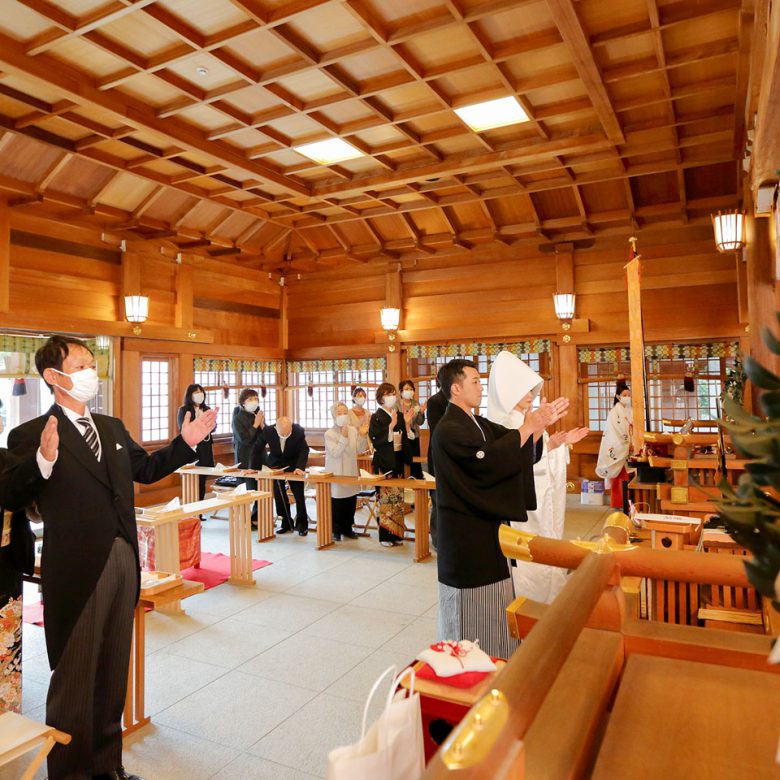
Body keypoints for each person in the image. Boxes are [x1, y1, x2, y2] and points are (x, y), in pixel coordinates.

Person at [6, 335, 216, 780]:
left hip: (124, 559)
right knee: (75, 681)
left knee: (110, 672)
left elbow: (146, 471)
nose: (90, 372)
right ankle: (69, 774)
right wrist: (43, 461)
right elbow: (11, 493)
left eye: (91, 363)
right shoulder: (29, 434)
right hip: (78, 571)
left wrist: (186, 442)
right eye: (81, 364)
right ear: (54, 376)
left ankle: (107, 769)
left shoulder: (112, 426)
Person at [431, 358, 568, 658]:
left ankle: (495, 658)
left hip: (487, 528)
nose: (482, 387)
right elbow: (489, 461)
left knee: (496, 598)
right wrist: (531, 425)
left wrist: (538, 427)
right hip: (464, 535)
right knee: (469, 610)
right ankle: (465, 664)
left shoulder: (478, 423)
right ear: (455, 388)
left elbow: (510, 445)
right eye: (475, 382)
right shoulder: (448, 429)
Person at [487, 351, 589, 604]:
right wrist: (541, 432)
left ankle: (547, 589)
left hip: (538, 492)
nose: (531, 396)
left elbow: (535, 452)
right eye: (525, 391)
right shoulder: (503, 422)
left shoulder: (525, 418)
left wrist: (555, 444)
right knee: (526, 550)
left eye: (532, 391)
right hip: (521, 498)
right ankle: (528, 597)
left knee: (544, 541)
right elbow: (516, 458)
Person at [258, 416, 310, 535]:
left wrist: (299, 467)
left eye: (288, 432)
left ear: (291, 427)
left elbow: (304, 450)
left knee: (299, 495)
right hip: (276, 465)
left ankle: (302, 524)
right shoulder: (269, 431)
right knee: (279, 495)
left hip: (294, 465)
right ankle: (286, 522)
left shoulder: (298, 431)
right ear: (276, 428)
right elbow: (256, 448)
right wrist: (252, 467)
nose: (286, 435)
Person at [368, 382, 406, 546]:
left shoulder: (396, 413)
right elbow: (376, 438)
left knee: (396, 499)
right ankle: (385, 535)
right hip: (383, 460)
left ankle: (396, 534)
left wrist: (407, 424)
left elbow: (404, 436)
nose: (392, 397)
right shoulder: (377, 416)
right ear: (381, 398)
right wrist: (390, 427)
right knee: (385, 499)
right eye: (388, 394)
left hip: (396, 459)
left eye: (393, 393)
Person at [324, 402, 365, 541]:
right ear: (333, 415)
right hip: (336, 472)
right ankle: (335, 530)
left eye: (344, 412)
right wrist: (343, 437)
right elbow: (335, 453)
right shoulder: (329, 433)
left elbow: (359, 449)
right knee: (337, 503)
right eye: (339, 412)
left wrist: (363, 435)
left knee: (350, 501)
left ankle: (348, 528)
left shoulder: (353, 430)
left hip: (351, 471)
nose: (342, 415)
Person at [596, 380, 633, 510]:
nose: (627, 397)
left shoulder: (630, 410)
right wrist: (626, 441)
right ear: (618, 396)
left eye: (629, 395)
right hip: (619, 446)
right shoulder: (614, 412)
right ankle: (618, 503)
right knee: (619, 476)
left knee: (627, 476)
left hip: (629, 445)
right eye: (625, 395)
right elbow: (615, 431)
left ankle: (628, 502)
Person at [177, 383, 215, 506]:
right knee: (193, 480)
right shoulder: (184, 410)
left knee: (202, 480)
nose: (200, 395)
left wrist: (207, 424)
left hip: (205, 448)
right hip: (192, 449)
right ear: (190, 395)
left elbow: (214, 427)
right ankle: (192, 509)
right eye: (196, 392)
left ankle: (200, 509)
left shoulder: (207, 409)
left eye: (201, 392)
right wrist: (197, 422)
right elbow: (182, 429)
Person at [232, 388, 264, 525]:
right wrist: (256, 424)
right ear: (243, 402)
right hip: (245, 457)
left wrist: (262, 425)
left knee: (261, 487)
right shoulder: (237, 418)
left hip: (259, 454)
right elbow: (244, 439)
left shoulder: (257, 414)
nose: (254, 401)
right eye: (250, 399)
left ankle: (257, 517)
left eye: (256, 398)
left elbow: (265, 437)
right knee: (247, 488)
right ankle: (245, 518)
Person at [425, 366, 448, 550]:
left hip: (454, 459)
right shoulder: (435, 402)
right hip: (438, 456)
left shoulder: (455, 399)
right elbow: (438, 429)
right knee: (438, 499)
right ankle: (438, 539)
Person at [398, 379, 426, 479]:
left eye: (411, 389)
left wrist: (421, 413)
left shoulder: (416, 403)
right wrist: (406, 422)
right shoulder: (397, 404)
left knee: (415, 458)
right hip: (402, 434)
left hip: (415, 434)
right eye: (406, 389)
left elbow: (420, 422)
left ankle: (416, 477)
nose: (409, 391)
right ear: (401, 392)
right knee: (404, 457)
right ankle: (404, 478)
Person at [348, 386, 370, 454]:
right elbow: (347, 429)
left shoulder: (367, 412)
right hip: (352, 444)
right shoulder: (348, 413)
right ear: (354, 398)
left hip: (365, 444)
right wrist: (358, 428)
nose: (362, 397)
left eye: (364, 396)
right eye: (359, 396)